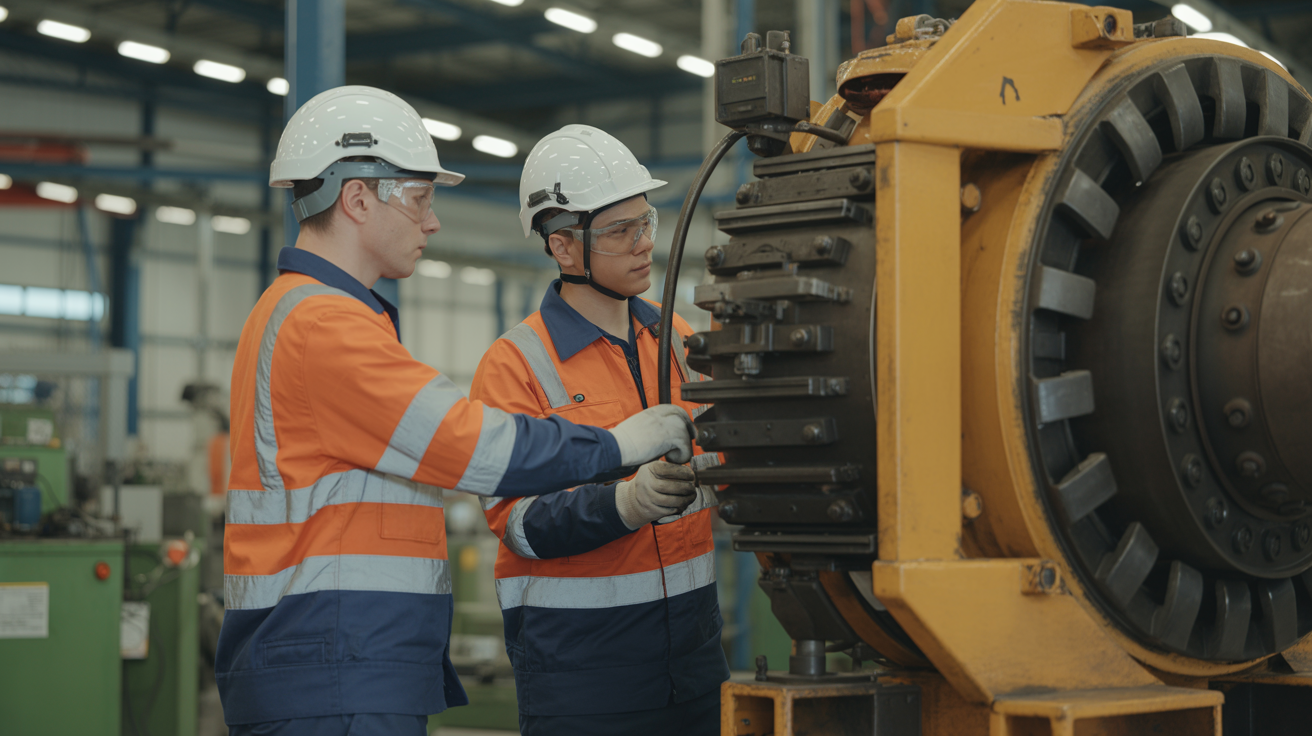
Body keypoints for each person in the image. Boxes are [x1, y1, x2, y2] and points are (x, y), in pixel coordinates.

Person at [215, 89, 695, 736]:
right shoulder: (321, 325)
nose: (433, 221)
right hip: (332, 663)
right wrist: (616, 450)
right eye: (419, 198)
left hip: (339, 660)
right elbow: (473, 446)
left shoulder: (314, 316)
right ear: (358, 199)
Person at [469, 124, 730, 736]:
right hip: (583, 680)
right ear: (563, 247)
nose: (643, 244)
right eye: (619, 230)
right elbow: (519, 525)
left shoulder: (679, 341)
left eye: (647, 223)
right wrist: (625, 502)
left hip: (694, 665)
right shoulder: (516, 365)